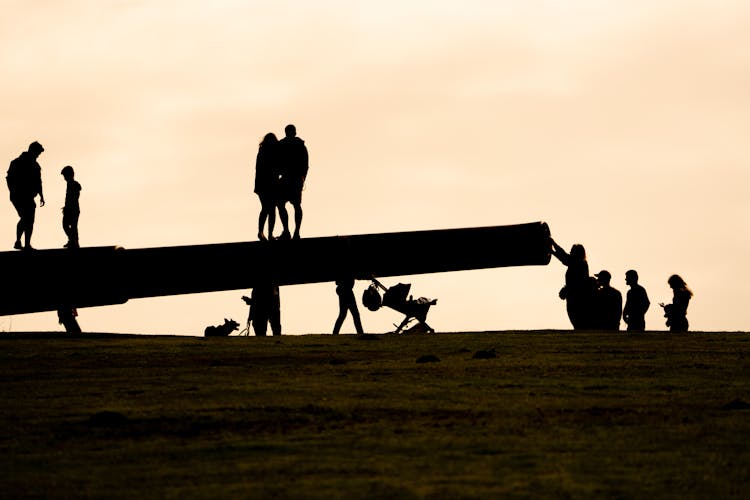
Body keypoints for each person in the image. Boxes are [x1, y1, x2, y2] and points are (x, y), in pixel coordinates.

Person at [6, 141, 45, 250]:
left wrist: (41, 195)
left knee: (29, 219)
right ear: (32, 150)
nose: (38, 155)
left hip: (29, 196)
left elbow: (38, 182)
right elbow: (9, 179)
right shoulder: (17, 162)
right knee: (26, 217)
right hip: (18, 196)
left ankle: (25, 243)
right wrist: (14, 192)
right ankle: (20, 242)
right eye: (37, 153)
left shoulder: (36, 166)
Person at [551, 239, 596, 330]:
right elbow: (564, 257)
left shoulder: (579, 263)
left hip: (577, 296)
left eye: (572, 251)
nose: (570, 252)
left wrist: (553, 245)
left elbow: (564, 257)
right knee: (575, 318)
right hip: (574, 295)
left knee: (577, 318)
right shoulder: (580, 263)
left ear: (576, 253)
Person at [276, 124, 308, 240]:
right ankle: (293, 232)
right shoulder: (300, 145)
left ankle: (290, 231)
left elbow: (276, 163)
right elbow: (305, 164)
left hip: (289, 179)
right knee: (294, 205)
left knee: (283, 204)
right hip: (293, 179)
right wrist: (303, 178)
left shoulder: (282, 145)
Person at [254, 133, 280, 241]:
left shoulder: (261, 152)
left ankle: (261, 232)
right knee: (271, 209)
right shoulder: (273, 153)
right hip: (271, 184)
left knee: (265, 208)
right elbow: (276, 169)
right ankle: (269, 234)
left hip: (261, 185)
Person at [61, 165, 81, 249]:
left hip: (73, 209)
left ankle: (73, 241)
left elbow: (73, 197)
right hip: (71, 208)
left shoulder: (73, 184)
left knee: (70, 225)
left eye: (65, 176)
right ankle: (73, 240)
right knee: (70, 226)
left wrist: (68, 207)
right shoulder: (70, 184)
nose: (64, 178)